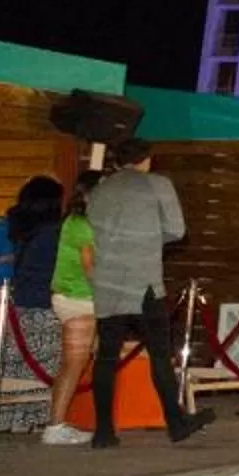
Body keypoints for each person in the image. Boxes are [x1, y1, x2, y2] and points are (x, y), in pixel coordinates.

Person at [83, 140, 212, 448]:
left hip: (107, 281)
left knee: (106, 356)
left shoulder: (101, 189)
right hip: (144, 282)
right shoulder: (157, 185)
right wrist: (148, 237)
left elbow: (92, 227)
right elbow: (176, 230)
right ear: (147, 160)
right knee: (159, 353)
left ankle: (103, 431)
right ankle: (176, 421)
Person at [0, 179, 66, 437]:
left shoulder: (19, 230)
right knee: (41, 365)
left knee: (15, 364)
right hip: (44, 306)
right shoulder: (53, 233)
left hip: (18, 308)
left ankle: (8, 418)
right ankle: (31, 419)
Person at [44, 173, 103, 444]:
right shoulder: (82, 225)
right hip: (78, 298)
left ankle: (64, 423)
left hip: (79, 297)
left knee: (82, 362)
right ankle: (55, 426)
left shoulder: (81, 222)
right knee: (74, 365)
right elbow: (89, 267)